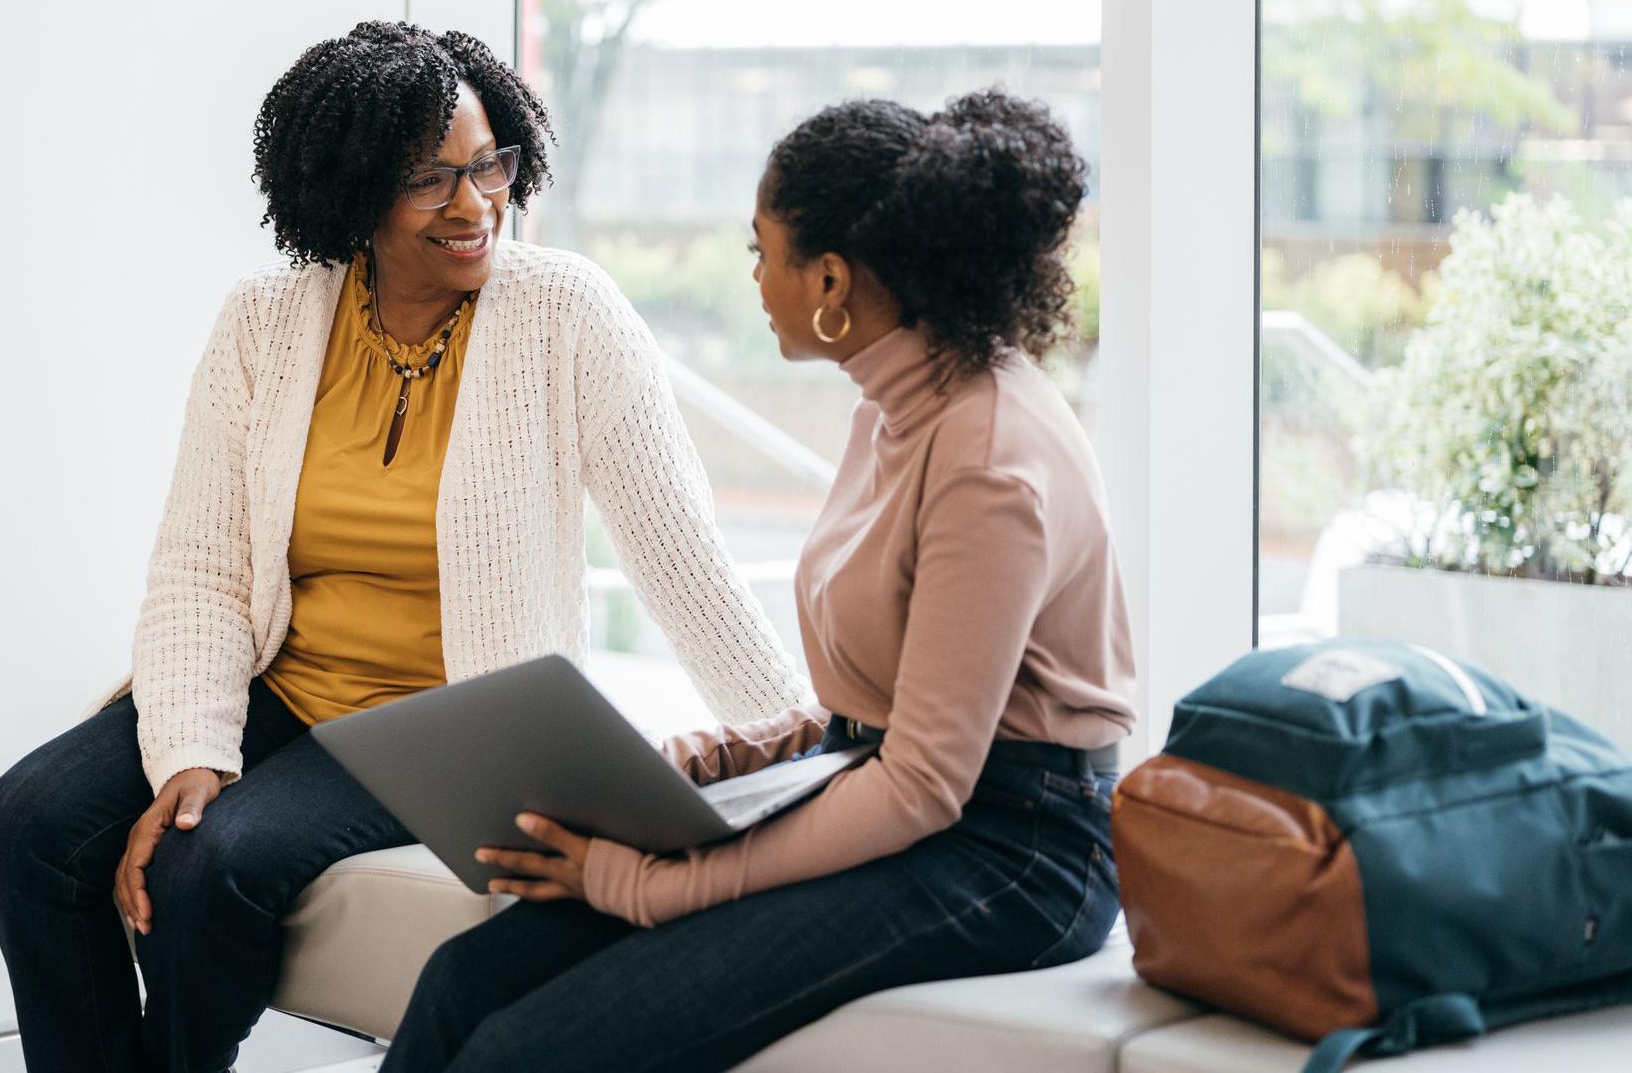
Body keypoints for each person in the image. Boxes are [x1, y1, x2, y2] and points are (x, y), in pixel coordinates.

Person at [0, 21, 803, 1073]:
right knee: (26, 822)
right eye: (431, 180)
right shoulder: (264, 325)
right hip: (286, 686)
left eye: (489, 164)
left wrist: (807, 746)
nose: (475, 204)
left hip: (449, 718)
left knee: (209, 862)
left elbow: (681, 560)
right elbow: (202, 568)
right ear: (353, 189)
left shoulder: (563, 312)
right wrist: (191, 752)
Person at [380, 90, 1140, 1073]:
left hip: (1017, 849)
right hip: (885, 780)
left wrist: (645, 884)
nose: (753, 276)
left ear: (829, 277)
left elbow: (922, 786)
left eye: (760, 250)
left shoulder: (988, 456)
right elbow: (873, 711)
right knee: (464, 983)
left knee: (533, 1052)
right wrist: (698, 767)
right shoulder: (892, 404)